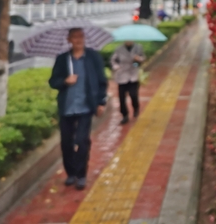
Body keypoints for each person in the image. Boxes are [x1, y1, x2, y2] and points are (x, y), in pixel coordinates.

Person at [48, 28, 108, 190]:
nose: (78, 39)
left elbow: (102, 81)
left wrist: (101, 102)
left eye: (81, 36)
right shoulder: (63, 59)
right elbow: (53, 82)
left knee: (82, 141)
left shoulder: (93, 57)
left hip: (85, 107)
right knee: (66, 143)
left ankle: (81, 175)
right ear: (69, 39)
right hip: (67, 107)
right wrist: (65, 81)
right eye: (74, 37)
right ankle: (71, 173)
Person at [111, 41, 145, 124]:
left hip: (133, 76)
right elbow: (114, 60)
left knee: (133, 95)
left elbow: (140, 61)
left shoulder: (138, 47)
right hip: (122, 76)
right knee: (122, 98)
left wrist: (138, 60)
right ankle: (125, 115)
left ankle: (136, 108)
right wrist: (116, 66)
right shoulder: (119, 48)